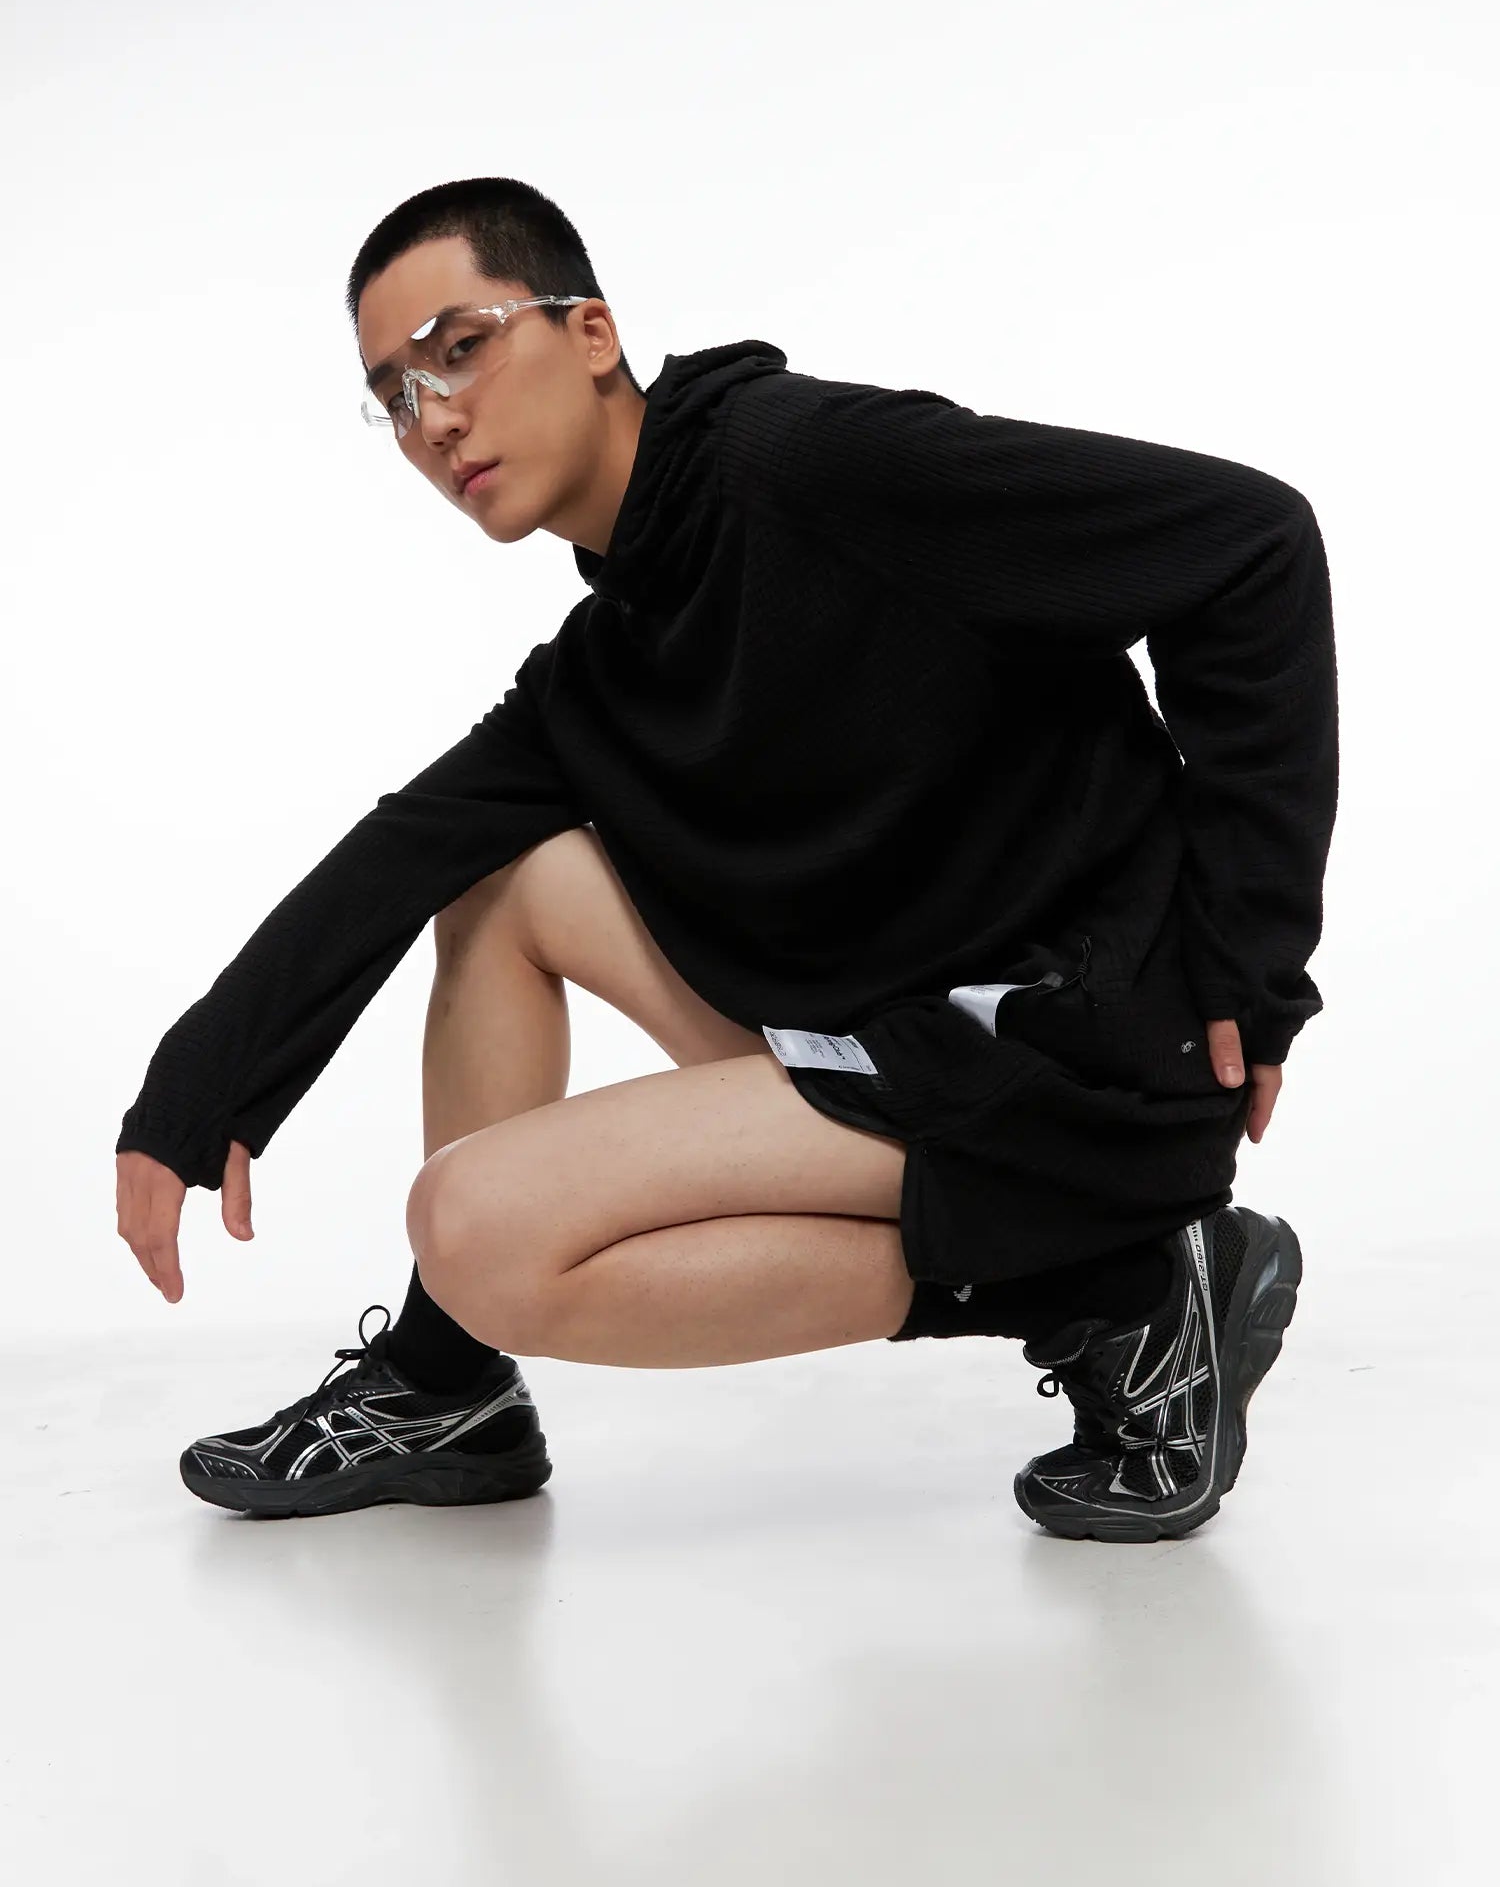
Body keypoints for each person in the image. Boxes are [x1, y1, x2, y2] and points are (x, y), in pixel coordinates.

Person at [114, 175, 1337, 1543]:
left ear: (590, 333)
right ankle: (447, 1386)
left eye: (460, 349)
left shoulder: (813, 469)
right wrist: (200, 1087)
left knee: (473, 1224)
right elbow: (409, 844)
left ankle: (1124, 1291)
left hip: (1078, 1055)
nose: (435, 417)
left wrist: (1249, 959)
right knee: (506, 877)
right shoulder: (608, 664)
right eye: (394, 396)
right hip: (904, 1039)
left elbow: (1251, 545)